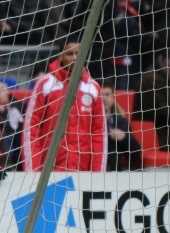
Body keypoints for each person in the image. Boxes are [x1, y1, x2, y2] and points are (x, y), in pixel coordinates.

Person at [23, 42, 107, 172]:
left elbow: (98, 134)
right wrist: (32, 172)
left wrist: (97, 175)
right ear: (60, 56)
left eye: (78, 54)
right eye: (70, 54)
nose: (74, 58)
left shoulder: (93, 88)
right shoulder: (45, 85)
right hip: (48, 172)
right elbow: (31, 129)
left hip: (82, 172)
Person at [133, 51, 170, 153]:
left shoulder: (169, 78)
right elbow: (157, 108)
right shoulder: (150, 79)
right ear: (165, 65)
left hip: (169, 129)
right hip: (157, 131)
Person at [101, 82, 141, 171]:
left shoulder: (121, 123)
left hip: (113, 174)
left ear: (113, 98)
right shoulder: (86, 122)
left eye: (107, 95)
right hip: (89, 173)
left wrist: (125, 138)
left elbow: (135, 155)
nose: (104, 99)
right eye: (100, 95)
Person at [0, 81, 22, 170]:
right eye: (2, 90)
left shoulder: (16, 106)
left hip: (18, 157)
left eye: (6, 89)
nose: (7, 92)